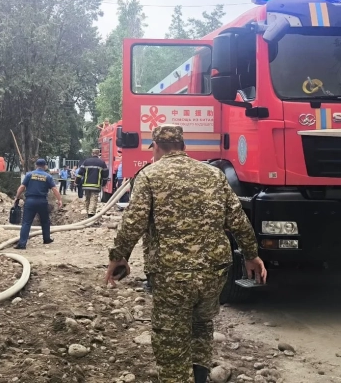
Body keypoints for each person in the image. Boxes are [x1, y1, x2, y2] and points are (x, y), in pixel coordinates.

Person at [105, 125, 266, 383]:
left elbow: (133, 221)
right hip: (214, 271)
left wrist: (118, 255)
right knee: (201, 326)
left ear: (156, 147)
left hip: (171, 274)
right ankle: (200, 378)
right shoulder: (213, 175)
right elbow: (238, 219)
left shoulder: (149, 175)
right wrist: (251, 254)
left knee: (170, 338)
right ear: (183, 146)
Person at [14, 158, 62, 249]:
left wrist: (17, 197)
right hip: (42, 201)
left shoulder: (29, 175)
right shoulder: (48, 176)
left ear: (36, 165)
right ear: (45, 166)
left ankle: (22, 244)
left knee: (26, 223)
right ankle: (46, 239)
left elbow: (22, 187)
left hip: (30, 201)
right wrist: (59, 200)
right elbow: (54, 189)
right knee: (45, 221)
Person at [75, 148, 108, 217]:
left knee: (87, 198)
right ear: (99, 154)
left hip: (86, 184)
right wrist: (104, 183)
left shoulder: (86, 161)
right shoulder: (101, 162)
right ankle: (91, 213)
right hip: (96, 184)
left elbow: (80, 173)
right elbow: (105, 174)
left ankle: (88, 211)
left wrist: (77, 182)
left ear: (92, 153)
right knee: (94, 198)